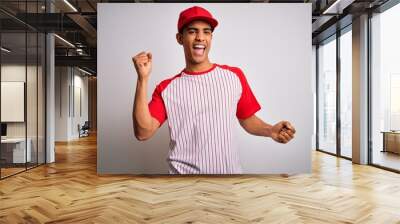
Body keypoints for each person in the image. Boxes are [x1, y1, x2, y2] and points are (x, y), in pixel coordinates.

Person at [132, 6, 296, 174]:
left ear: (211, 37)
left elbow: (247, 120)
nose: (200, 38)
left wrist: (271, 131)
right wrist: (142, 79)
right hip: (182, 182)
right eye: (192, 31)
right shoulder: (166, 88)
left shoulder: (234, 76)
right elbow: (143, 132)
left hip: (228, 180)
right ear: (179, 38)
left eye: (206, 32)